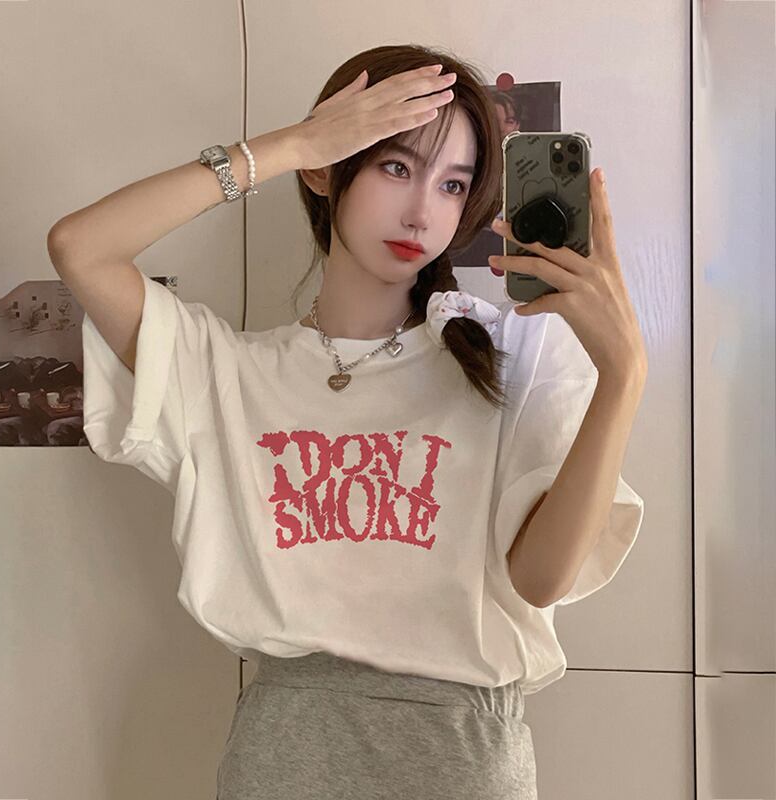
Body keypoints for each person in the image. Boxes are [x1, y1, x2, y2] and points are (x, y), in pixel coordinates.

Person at [47, 43, 647, 800]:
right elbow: (81, 248)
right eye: (396, 166)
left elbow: (540, 579)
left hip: (462, 760)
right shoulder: (228, 373)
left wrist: (623, 377)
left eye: (453, 184)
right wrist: (292, 146)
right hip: (284, 756)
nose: (422, 210)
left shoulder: (514, 354)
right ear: (329, 169)